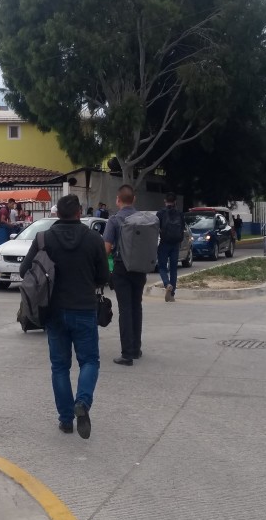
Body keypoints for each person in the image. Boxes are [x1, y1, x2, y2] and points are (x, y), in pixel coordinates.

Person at [20, 194, 109, 438]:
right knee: (89, 361)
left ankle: (66, 420)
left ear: (56, 213)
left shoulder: (43, 239)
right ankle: (82, 402)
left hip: (54, 311)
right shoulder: (93, 239)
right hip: (84, 309)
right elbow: (103, 276)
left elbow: (24, 270)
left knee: (60, 366)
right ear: (79, 212)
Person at [103, 184, 146, 366]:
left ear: (118, 200)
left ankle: (127, 354)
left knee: (125, 309)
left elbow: (106, 248)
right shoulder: (144, 219)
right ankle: (136, 348)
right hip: (140, 268)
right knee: (137, 307)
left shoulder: (114, 220)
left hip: (121, 269)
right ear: (134, 199)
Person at [156, 192, 184, 303]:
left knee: (162, 267)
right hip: (175, 244)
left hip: (164, 243)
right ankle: (172, 295)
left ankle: (167, 284)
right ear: (175, 202)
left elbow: (155, 228)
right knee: (173, 269)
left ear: (165, 201)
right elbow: (182, 228)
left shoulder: (160, 213)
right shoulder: (179, 214)